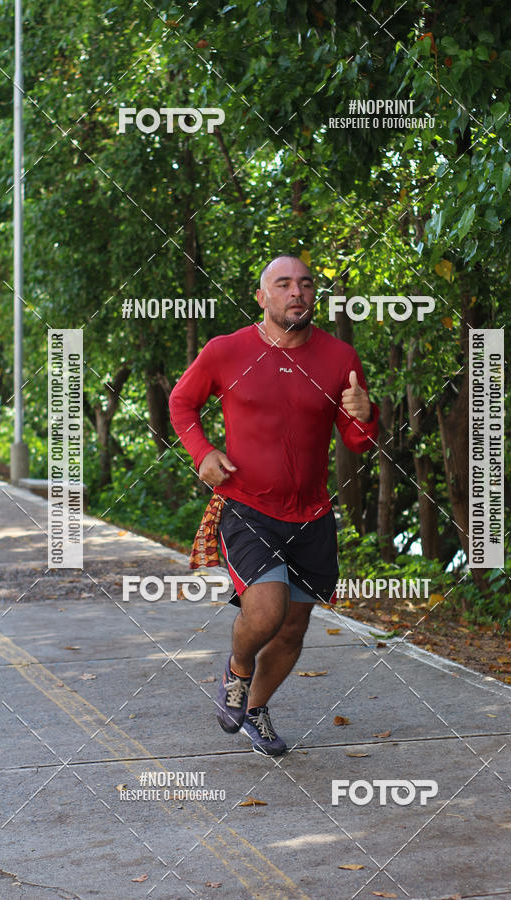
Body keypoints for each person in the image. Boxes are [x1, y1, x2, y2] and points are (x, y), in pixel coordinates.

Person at [169, 255, 379, 756]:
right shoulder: (227, 351)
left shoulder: (340, 358)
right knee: (266, 611)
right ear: (262, 297)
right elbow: (182, 402)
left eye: (305, 285)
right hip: (247, 506)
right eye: (283, 285)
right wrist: (203, 453)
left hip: (311, 516)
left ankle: (255, 709)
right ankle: (237, 672)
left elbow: (356, 443)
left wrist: (367, 416)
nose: (297, 293)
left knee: (291, 631)